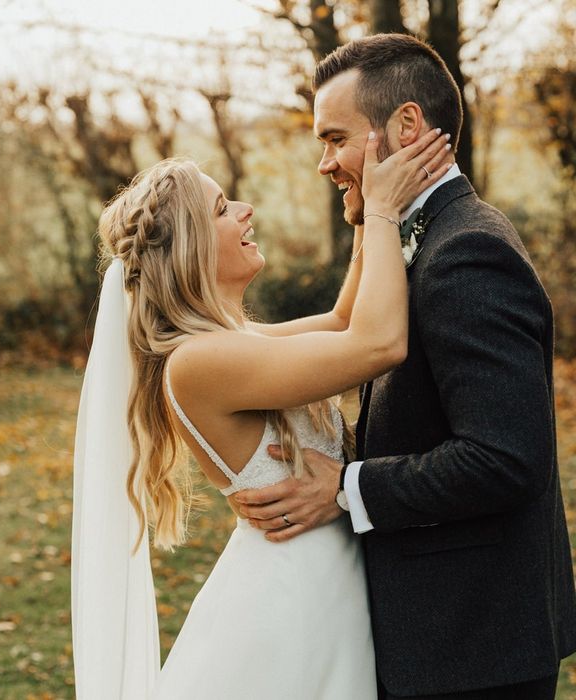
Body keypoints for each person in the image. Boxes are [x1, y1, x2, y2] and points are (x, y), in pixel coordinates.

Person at [235, 33, 576, 700]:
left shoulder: (466, 255)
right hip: (448, 637)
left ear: (407, 125)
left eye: (335, 139)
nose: (324, 164)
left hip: (472, 648)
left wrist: (347, 487)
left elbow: (506, 458)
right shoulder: (417, 241)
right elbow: (348, 334)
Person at [71, 124, 452, 698]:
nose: (246, 210)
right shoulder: (199, 363)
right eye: (224, 208)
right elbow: (377, 344)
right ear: (193, 246)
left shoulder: (236, 339)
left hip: (321, 590)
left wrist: (359, 206)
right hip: (289, 609)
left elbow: (343, 322)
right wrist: (383, 211)